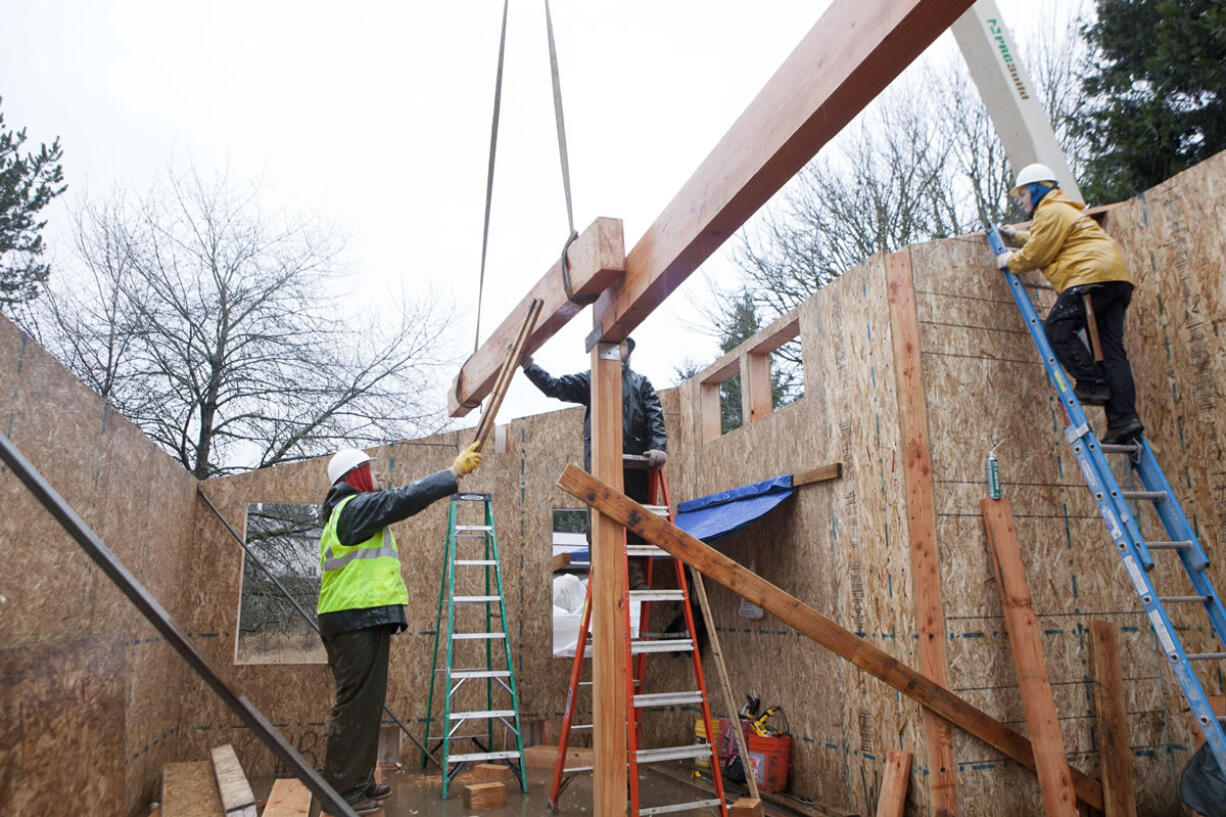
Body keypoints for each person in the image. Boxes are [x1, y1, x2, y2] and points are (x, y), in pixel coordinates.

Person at [317, 440, 482, 815]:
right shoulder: (351, 508)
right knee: (355, 707)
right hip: (353, 619)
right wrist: (452, 474)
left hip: (359, 618)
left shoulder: (351, 512)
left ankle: (358, 783)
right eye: (372, 471)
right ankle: (343, 792)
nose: (379, 476)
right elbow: (402, 499)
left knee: (367, 705)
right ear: (354, 476)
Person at [995, 163, 1144, 444]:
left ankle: (1092, 383)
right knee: (1112, 353)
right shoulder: (1060, 210)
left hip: (1090, 277)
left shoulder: (1050, 210)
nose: (1020, 199)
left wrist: (1011, 260)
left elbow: (1038, 252)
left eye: (1023, 193)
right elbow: (1045, 238)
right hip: (1115, 279)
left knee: (1057, 329)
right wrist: (1017, 237)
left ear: (1039, 189)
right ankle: (1124, 420)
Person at [522, 337, 667, 587]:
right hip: (600, 465)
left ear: (628, 351)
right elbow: (555, 387)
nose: (617, 350)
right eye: (615, 344)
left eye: (623, 346)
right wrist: (528, 366)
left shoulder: (640, 383)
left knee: (634, 519)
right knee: (599, 521)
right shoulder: (592, 380)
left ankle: (635, 576)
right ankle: (602, 579)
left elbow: (655, 415)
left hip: (634, 463)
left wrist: (657, 447)